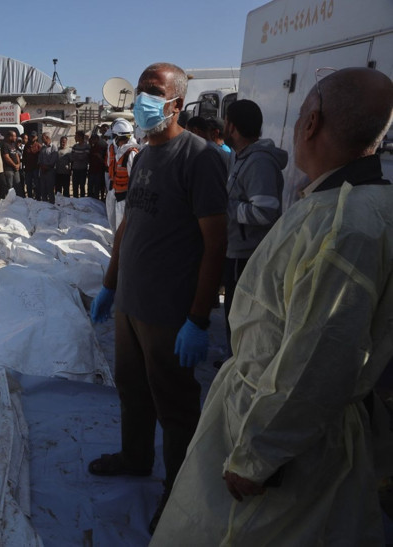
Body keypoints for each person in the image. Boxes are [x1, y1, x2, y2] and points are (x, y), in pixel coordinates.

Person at [153, 67, 393, 546]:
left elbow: (319, 358)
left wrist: (256, 457)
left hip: (278, 439)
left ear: (311, 122)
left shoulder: (344, 227)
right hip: (274, 418)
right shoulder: (342, 204)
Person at [88, 62, 228, 534]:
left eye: (152, 91)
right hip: (131, 301)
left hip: (169, 311)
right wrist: (110, 284)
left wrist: (198, 318)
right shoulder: (144, 154)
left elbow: (215, 244)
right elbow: (129, 226)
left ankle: (178, 489)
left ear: (176, 104)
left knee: (176, 406)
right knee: (131, 387)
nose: (142, 99)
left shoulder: (199, 157)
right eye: (140, 90)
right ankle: (135, 456)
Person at [219, 99, 286, 359]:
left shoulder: (258, 162)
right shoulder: (242, 158)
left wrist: (227, 205)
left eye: (226, 122)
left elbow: (264, 212)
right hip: (237, 252)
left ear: (232, 126)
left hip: (247, 256)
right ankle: (233, 362)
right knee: (233, 318)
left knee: (241, 320)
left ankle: (238, 366)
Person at [106, 119, 139, 233]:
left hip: (125, 196)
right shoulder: (122, 151)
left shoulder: (131, 153)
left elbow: (134, 178)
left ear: (120, 137)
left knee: (122, 226)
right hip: (117, 191)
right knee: (114, 220)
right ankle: (116, 243)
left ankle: (121, 248)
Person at [37, 132, 57, 203]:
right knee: (43, 189)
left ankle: (51, 204)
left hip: (50, 172)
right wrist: (42, 167)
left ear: (47, 138)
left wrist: (47, 167)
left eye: (43, 138)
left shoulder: (54, 148)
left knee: (50, 189)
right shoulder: (42, 148)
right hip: (42, 172)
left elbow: (53, 161)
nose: (41, 139)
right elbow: (39, 160)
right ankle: (44, 206)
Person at [1, 130, 21, 199]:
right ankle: (9, 201)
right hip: (8, 169)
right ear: (10, 137)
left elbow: (16, 154)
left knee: (17, 185)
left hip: (16, 169)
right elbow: (6, 157)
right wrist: (14, 165)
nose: (15, 137)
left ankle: (17, 201)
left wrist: (18, 164)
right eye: (14, 136)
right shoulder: (5, 145)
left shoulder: (13, 144)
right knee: (10, 186)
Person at [70, 131, 90, 198]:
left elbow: (84, 157)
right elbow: (72, 157)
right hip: (75, 169)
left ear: (80, 137)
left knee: (82, 186)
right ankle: (75, 201)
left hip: (82, 170)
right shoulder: (75, 146)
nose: (75, 137)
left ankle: (82, 201)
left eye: (76, 136)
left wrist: (77, 156)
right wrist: (78, 157)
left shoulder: (86, 146)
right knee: (75, 186)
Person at [87, 133, 106, 200]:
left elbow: (104, 161)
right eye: (92, 139)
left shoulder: (102, 147)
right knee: (90, 187)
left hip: (99, 171)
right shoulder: (91, 148)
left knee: (97, 188)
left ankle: (96, 202)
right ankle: (89, 201)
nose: (93, 141)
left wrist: (99, 157)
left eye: (94, 139)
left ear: (97, 139)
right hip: (91, 170)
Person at [22, 131, 41, 199]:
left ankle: (38, 197)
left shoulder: (39, 146)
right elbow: (24, 156)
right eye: (31, 136)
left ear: (36, 137)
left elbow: (41, 157)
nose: (32, 138)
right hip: (28, 169)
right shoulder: (26, 145)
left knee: (37, 184)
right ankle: (30, 198)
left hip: (36, 168)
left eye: (34, 136)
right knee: (28, 184)